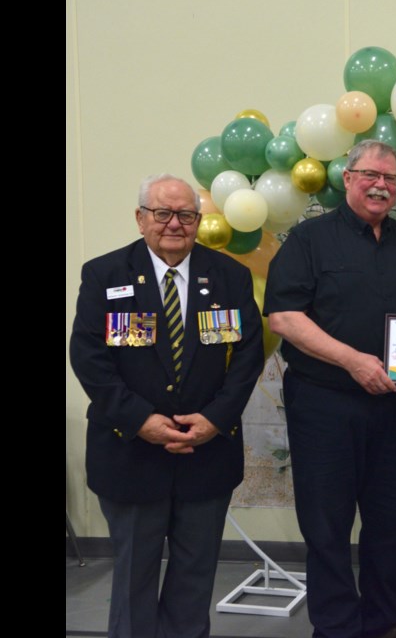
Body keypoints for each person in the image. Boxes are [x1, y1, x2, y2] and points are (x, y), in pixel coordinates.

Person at [69, 174, 264, 638]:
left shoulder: (229, 277)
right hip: (130, 452)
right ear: (141, 219)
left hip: (207, 452)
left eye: (186, 215)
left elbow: (248, 357)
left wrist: (216, 419)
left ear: (199, 221)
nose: (174, 224)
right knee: (134, 573)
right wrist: (141, 421)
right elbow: (89, 359)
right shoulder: (105, 275)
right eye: (162, 213)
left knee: (195, 575)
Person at [263, 140, 396, 638]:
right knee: (327, 526)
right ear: (346, 177)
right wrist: (352, 360)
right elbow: (283, 317)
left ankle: (384, 620)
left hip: (390, 409)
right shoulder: (308, 239)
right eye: (370, 175)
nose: (381, 185)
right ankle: (338, 628)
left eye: (389, 178)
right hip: (323, 406)